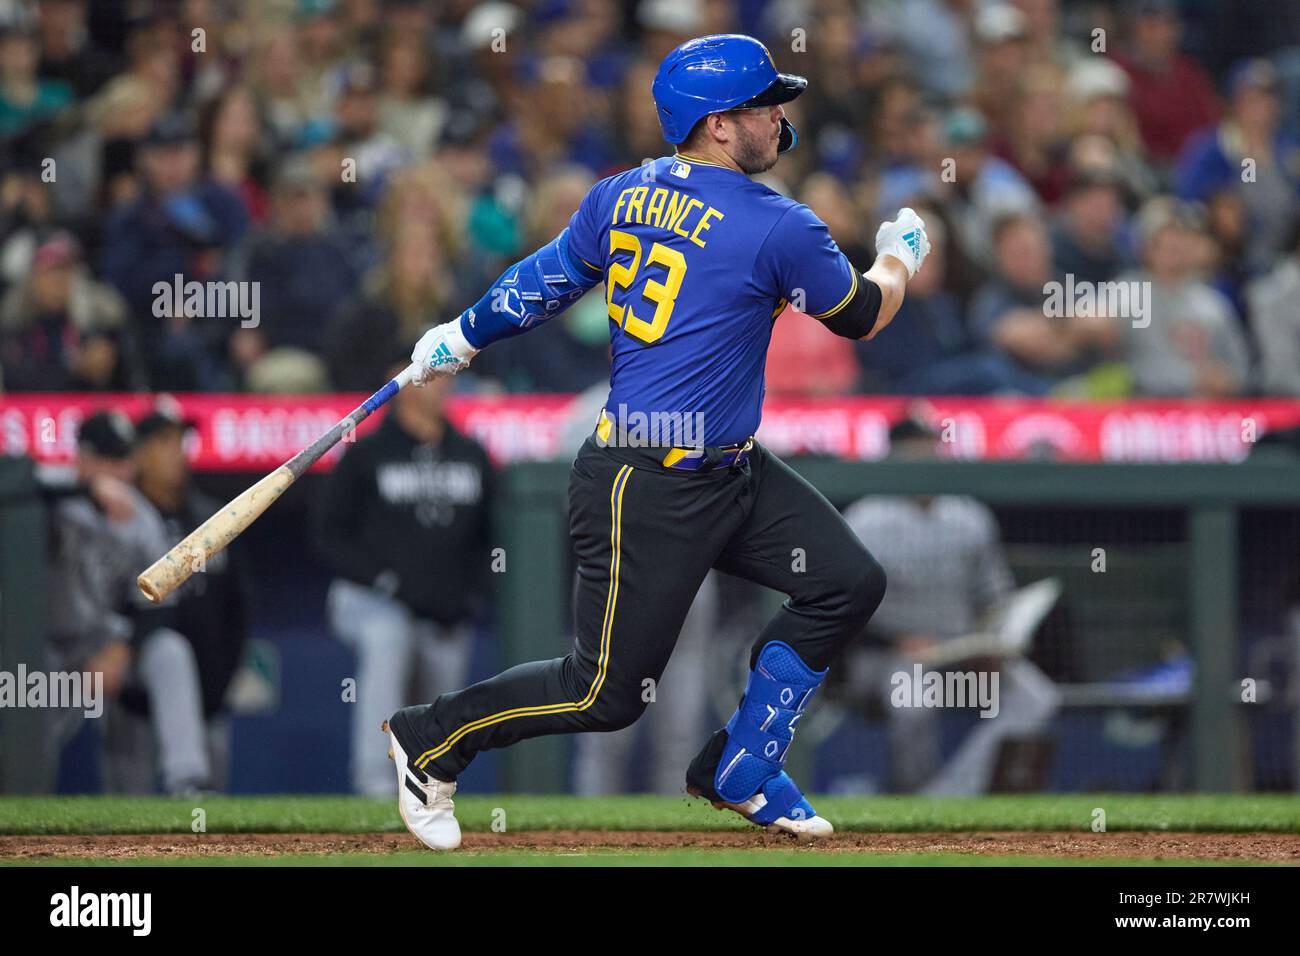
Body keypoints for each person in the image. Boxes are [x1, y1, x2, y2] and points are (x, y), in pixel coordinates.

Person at [384, 34, 931, 850]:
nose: (780, 120)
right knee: (604, 695)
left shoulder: (619, 194)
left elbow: (544, 281)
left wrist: (461, 334)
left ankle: (742, 765)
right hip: (644, 484)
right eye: (763, 107)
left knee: (846, 581)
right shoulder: (780, 223)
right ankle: (428, 739)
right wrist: (898, 257)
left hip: (730, 470)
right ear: (716, 125)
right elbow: (861, 315)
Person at [839, 418, 1059, 794]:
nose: (927, 459)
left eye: (932, 449)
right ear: (892, 457)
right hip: (892, 659)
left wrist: (995, 642)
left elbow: (995, 595)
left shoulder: (969, 516)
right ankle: (917, 791)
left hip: (962, 656)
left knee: (1036, 697)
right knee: (912, 698)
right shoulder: (864, 517)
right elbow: (840, 606)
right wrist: (894, 641)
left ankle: (947, 795)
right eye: (916, 452)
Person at [313, 356, 494, 797]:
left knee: (445, 700)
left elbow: (492, 539)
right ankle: (376, 785)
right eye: (431, 376)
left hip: (442, 606)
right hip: (372, 599)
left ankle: (431, 791)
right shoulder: (369, 453)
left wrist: (470, 593)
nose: (443, 384)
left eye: (446, 375)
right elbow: (327, 534)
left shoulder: (471, 453)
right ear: (403, 382)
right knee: (388, 636)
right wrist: (385, 580)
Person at [44, 410, 211, 795]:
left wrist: (122, 649)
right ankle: (20, 796)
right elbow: (18, 484)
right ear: (82, 457)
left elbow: (161, 602)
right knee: (26, 700)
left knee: (170, 652)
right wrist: (88, 489)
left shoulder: (142, 518)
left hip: (111, 645)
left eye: (123, 461)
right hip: (51, 649)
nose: (119, 473)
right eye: (108, 460)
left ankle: (187, 783)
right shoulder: (51, 493)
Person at [127, 403, 252, 792]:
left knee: (205, 817)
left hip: (207, 700)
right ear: (139, 453)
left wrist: (220, 682)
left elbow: (238, 605)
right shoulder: (122, 516)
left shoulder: (209, 517)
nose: (177, 451)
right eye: (165, 441)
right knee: (123, 823)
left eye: (181, 440)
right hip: (132, 700)